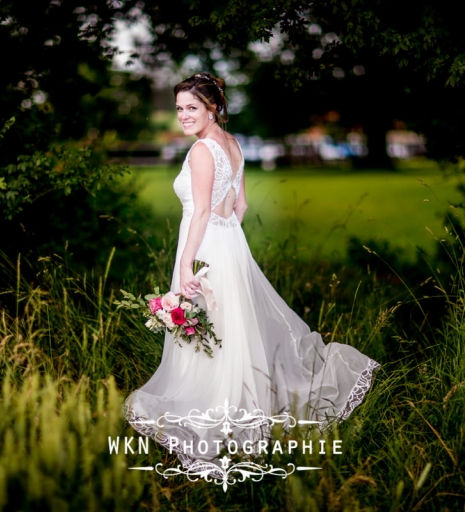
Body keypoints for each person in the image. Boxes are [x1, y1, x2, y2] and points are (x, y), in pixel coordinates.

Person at [123, 72, 379, 472]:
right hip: (229, 245)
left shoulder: (202, 151)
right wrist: (229, 247)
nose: (184, 116)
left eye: (192, 108)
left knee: (209, 330)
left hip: (205, 244)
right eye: (178, 109)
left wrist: (188, 263)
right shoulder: (234, 144)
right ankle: (244, 404)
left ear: (213, 108)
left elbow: (203, 210)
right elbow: (239, 207)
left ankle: (216, 412)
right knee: (229, 329)